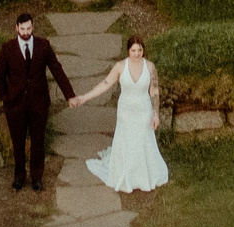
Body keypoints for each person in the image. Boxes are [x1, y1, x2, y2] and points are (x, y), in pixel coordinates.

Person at [68, 35, 168, 194]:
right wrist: (83, 98)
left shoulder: (150, 67)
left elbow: (154, 91)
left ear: (143, 50)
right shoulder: (120, 67)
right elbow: (105, 84)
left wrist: (156, 113)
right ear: (128, 51)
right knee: (127, 140)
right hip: (126, 111)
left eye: (139, 50)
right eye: (133, 50)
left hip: (144, 110)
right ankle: (125, 172)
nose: (137, 54)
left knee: (142, 140)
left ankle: (143, 174)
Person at [0, 12, 74, 193]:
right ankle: (19, 176)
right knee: (18, 142)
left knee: (38, 141)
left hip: (38, 103)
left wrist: (69, 95)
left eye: (28, 28)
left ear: (33, 27)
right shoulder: (7, 48)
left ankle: (37, 177)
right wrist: (5, 97)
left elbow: (57, 70)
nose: (25, 32)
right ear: (16, 28)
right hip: (15, 104)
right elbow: (0, 75)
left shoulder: (43, 46)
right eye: (22, 29)